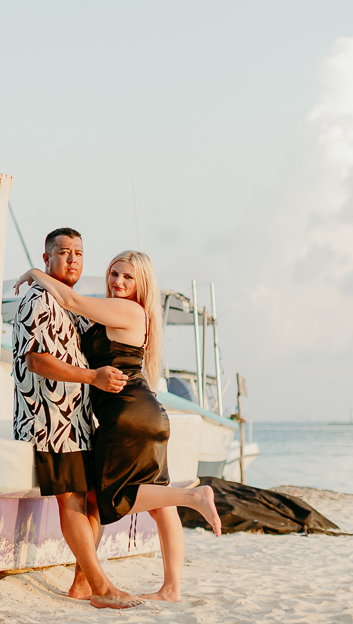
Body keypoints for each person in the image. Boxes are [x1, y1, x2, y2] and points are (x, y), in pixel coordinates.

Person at [16, 250, 223, 602]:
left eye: (127, 277)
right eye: (114, 274)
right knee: (160, 505)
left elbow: (69, 298)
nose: (118, 282)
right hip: (148, 414)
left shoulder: (128, 310)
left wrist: (36, 272)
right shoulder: (135, 315)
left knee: (114, 496)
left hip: (125, 415)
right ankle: (171, 589)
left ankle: (194, 495)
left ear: (142, 283)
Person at [12, 228, 140, 609]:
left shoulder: (73, 304)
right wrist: (93, 378)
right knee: (71, 502)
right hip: (48, 419)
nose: (72, 259)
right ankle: (101, 587)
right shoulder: (37, 300)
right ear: (47, 257)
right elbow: (37, 361)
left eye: (79, 253)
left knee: (93, 502)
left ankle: (82, 584)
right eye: (64, 252)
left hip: (81, 421)